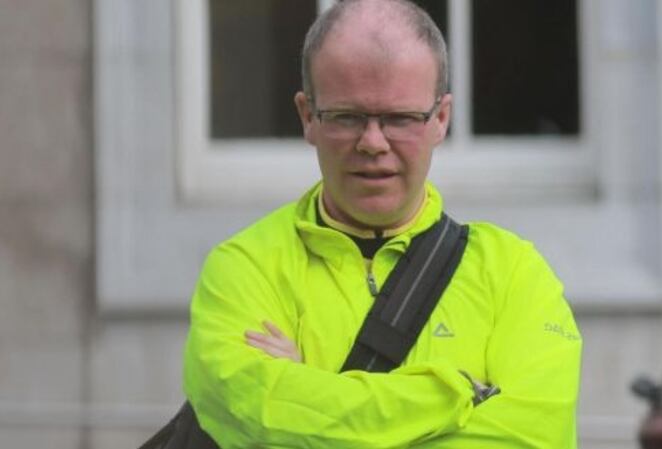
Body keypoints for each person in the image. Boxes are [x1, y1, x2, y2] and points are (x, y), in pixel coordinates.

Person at [183, 0, 582, 447]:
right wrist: (452, 394)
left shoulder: (513, 274)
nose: (373, 143)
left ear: (442, 119)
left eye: (400, 119)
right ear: (307, 117)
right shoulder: (242, 269)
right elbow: (250, 418)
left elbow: (531, 439)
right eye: (347, 117)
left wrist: (308, 393)